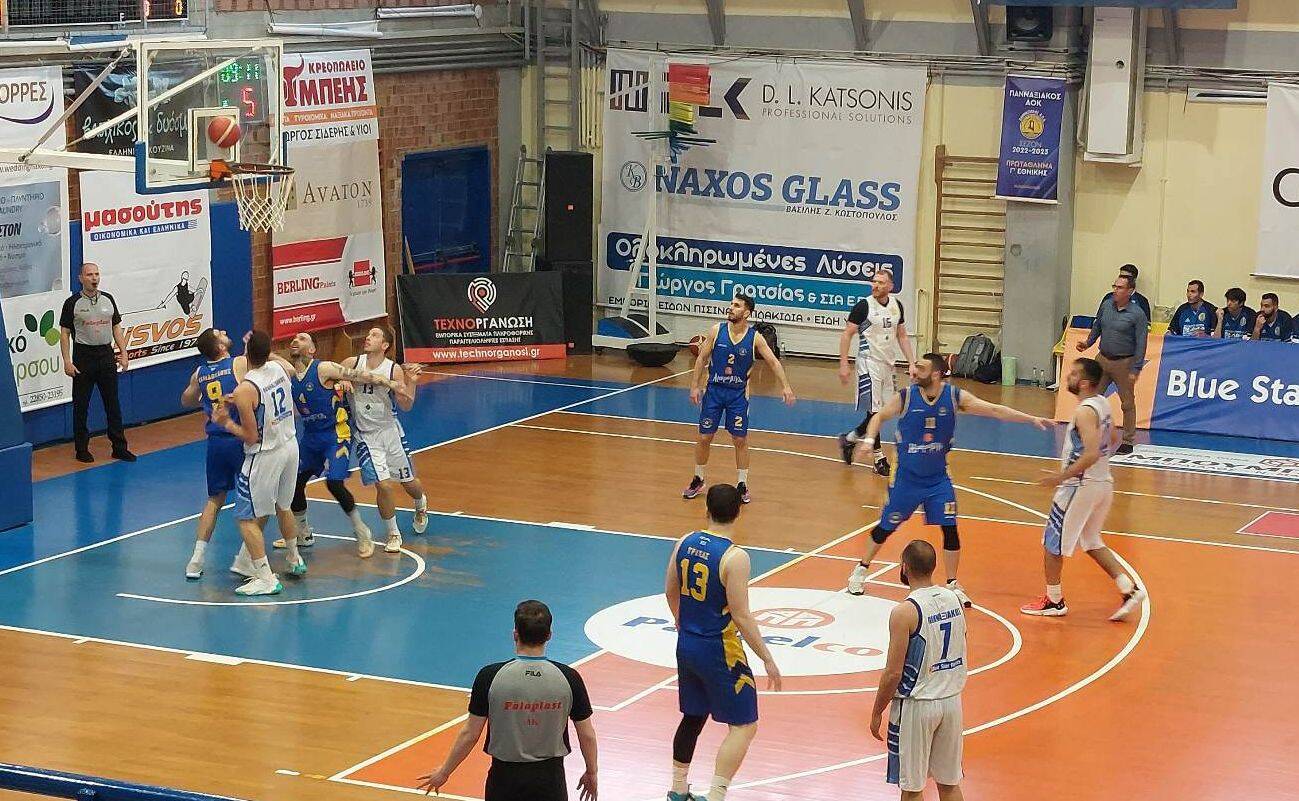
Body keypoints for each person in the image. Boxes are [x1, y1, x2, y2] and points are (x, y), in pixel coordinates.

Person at [847, 354, 1052, 606]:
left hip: (937, 478)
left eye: (921, 368)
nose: (914, 371)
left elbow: (994, 409)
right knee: (886, 527)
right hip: (906, 478)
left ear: (935, 374)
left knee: (950, 528)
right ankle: (860, 570)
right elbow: (878, 416)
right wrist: (869, 440)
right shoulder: (906, 396)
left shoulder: (954, 397)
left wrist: (1031, 419)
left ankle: (953, 583)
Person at [665, 483, 781, 801]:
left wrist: (680, 620)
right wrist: (767, 657)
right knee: (745, 725)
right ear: (738, 512)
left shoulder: (684, 542)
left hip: (687, 643)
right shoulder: (735, 557)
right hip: (719, 648)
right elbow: (741, 615)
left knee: (693, 715)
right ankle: (716, 795)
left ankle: (677, 789)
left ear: (706, 510)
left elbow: (670, 590)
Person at [417, 600, 598, 801]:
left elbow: (470, 734)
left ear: (515, 634)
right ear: (549, 635)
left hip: (504, 779)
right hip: (550, 779)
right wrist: (592, 772)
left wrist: (444, 772)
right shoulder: (569, 678)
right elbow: (587, 734)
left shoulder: (489, 676)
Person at [1021, 357, 1147, 622]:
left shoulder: (1084, 412)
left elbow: (1090, 453)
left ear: (1085, 383)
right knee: (1091, 541)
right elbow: (1113, 438)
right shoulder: (1103, 404)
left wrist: (1061, 477)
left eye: (1074, 374)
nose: (1069, 377)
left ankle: (1054, 601)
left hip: (1080, 486)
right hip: (1103, 483)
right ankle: (1128, 588)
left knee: (1052, 543)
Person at [272, 332, 398, 559]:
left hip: (336, 434)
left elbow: (360, 375)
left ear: (312, 349)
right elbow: (269, 356)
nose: (295, 341)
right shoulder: (289, 372)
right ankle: (303, 532)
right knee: (295, 483)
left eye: (302, 339)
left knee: (334, 483)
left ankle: (362, 531)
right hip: (311, 437)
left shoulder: (323, 368)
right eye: (294, 339)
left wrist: (388, 381)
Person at [871, 540, 967, 801]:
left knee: (912, 787)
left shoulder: (904, 612)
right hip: (951, 700)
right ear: (934, 566)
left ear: (904, 567)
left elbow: (893, 673)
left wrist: (877, 711)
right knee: (949, 783)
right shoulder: (955, 599)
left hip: (918, 704)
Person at [211, 330, 305, 595]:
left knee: (245, 518)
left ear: (245, 354)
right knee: (283, 506)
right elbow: (284, 369)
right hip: (290, 446)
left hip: (266, 455)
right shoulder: (280, 368)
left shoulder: (245, 389)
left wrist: (226, 422)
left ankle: (265, 577)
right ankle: (294, 558)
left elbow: (251, 437)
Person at [684, 294, 796, 505]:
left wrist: (786, 386)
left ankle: (742, 483)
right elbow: (701, 358)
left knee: (740, 439)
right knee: (705, 437)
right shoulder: (716, 331)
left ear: (747, 313)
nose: (731, 308)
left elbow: (773, 362)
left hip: (737, 395)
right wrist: (694, 386)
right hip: (714, 392)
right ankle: (698, 478)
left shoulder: (755, 338)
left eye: (736, 305)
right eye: (731, 304)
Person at [342, 325, 428, 553]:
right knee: (383, 485)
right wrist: (342, 381)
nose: (368, 338)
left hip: (390, 433)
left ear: (385, 345)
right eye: (369, 334)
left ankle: (420, 502)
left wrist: (411, 382)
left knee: (409, 483)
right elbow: (330, 377)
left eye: (375, 335)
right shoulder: (352, 363)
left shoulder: (392, 370)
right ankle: (393, 533)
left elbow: (406, 405)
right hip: (365, 435)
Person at [837, 269, 916, 475]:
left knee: (886, 411)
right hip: (868, 362)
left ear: (890, 286)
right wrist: (844, 363)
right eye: (874, 281)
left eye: (881, 282)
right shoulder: (864, 306)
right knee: (875, 412)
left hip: (888, 364)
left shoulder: (897, 306)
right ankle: (879, 459)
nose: (876, 285)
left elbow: (902, 336)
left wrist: (912, 363)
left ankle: (850, 438)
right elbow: (847, 334)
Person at [59, 262, 134, 463]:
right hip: (83, 357)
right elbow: (65, 333)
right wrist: (67, 361)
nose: (94, 278)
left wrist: (124, 352)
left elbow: (116, 327)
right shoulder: (72, 303)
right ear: (80, 278)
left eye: (97, 274)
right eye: (89, 275)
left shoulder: (108, 299)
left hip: (106, 355)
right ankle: (81, 449)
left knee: (113, 404)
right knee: (81, 405)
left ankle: (119, 447)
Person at [1077, 273, 1148, 455]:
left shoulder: (1137, 314)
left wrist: (1136, 368)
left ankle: (1128, 440)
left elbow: (1141, 343)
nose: (1115, 290)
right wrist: (1088, 343)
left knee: (1127, 403)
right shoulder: (1106, 305)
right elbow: (1097, 327)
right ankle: (1087, 434)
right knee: (1091, 398)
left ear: (1130, 291)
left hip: (1124, 362)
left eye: (1120, 287)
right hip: (1102, 359)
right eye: (1114, 286)